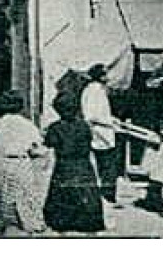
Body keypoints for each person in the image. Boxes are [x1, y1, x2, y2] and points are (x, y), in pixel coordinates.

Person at [43, 89, 106, 233]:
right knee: (86, 194)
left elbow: (48, 143)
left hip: (64, 166)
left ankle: (63, 223)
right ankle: (88, 224)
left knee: (62, 194)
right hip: (83, 165)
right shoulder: (84, 126)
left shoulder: (55, 128)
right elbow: (89, 142)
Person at [0, 90, 49, 235]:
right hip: (21, 161)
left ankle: (1, 225)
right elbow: (35, 147)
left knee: (3, 193)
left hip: (4, 161)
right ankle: (33, 225)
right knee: (27, 193)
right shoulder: (27, 125)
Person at [80, 64, 121, 203]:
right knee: (107, 167)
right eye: (105, 74)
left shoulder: (97, 90)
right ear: (100, 76)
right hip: (100, 133)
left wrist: (111, 119)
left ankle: (106, 194)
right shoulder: (94, 91)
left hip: (104, 131)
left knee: (106, 166)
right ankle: (107, 196)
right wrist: (110, 122)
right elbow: (91, 115)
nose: (108, 77)